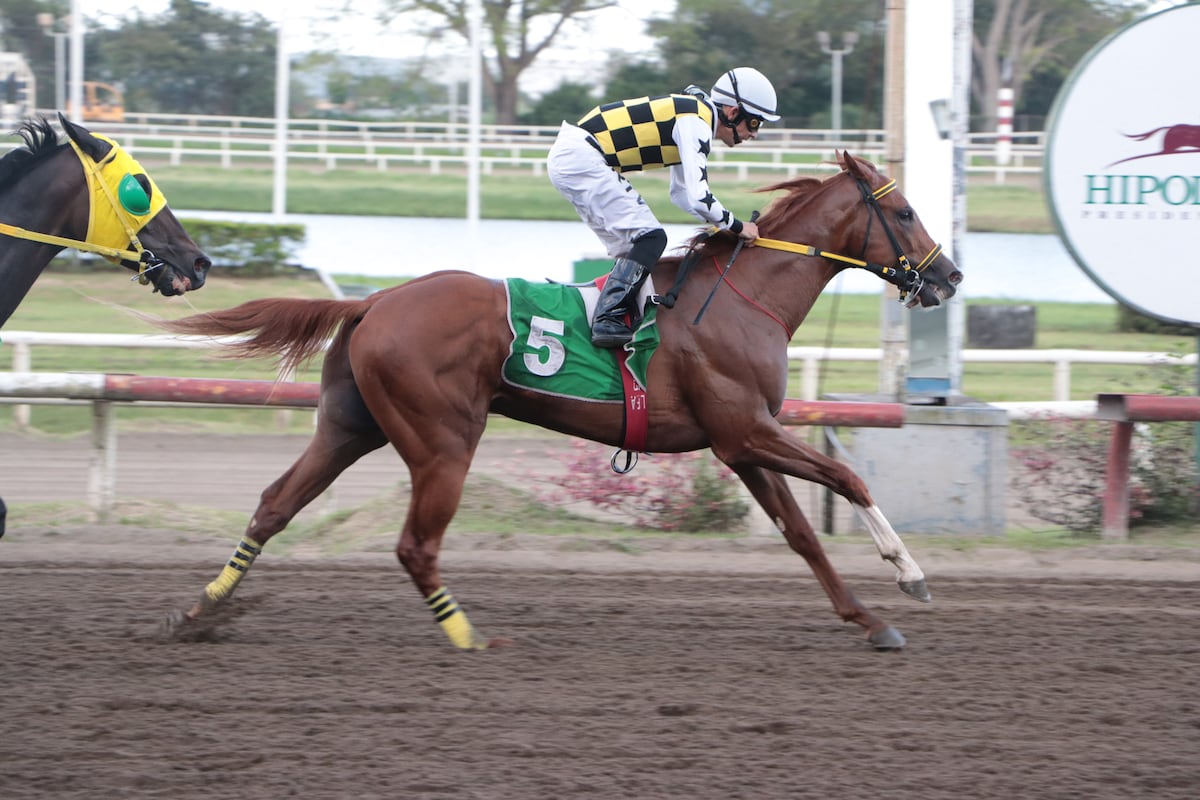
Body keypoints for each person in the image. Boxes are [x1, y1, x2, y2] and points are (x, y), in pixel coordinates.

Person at [547, 67, 781, 348]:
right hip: (583, 157)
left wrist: (723, 224)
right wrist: (737, 226)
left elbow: (681, 194)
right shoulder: (697, 122)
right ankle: (606, 321)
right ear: (733, 111)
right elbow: (698, 196)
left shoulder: (695, 115)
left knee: (633, 250)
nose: (754, 134)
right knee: (651, 238)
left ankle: (606, 316)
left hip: (576, 156)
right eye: (755, 123)